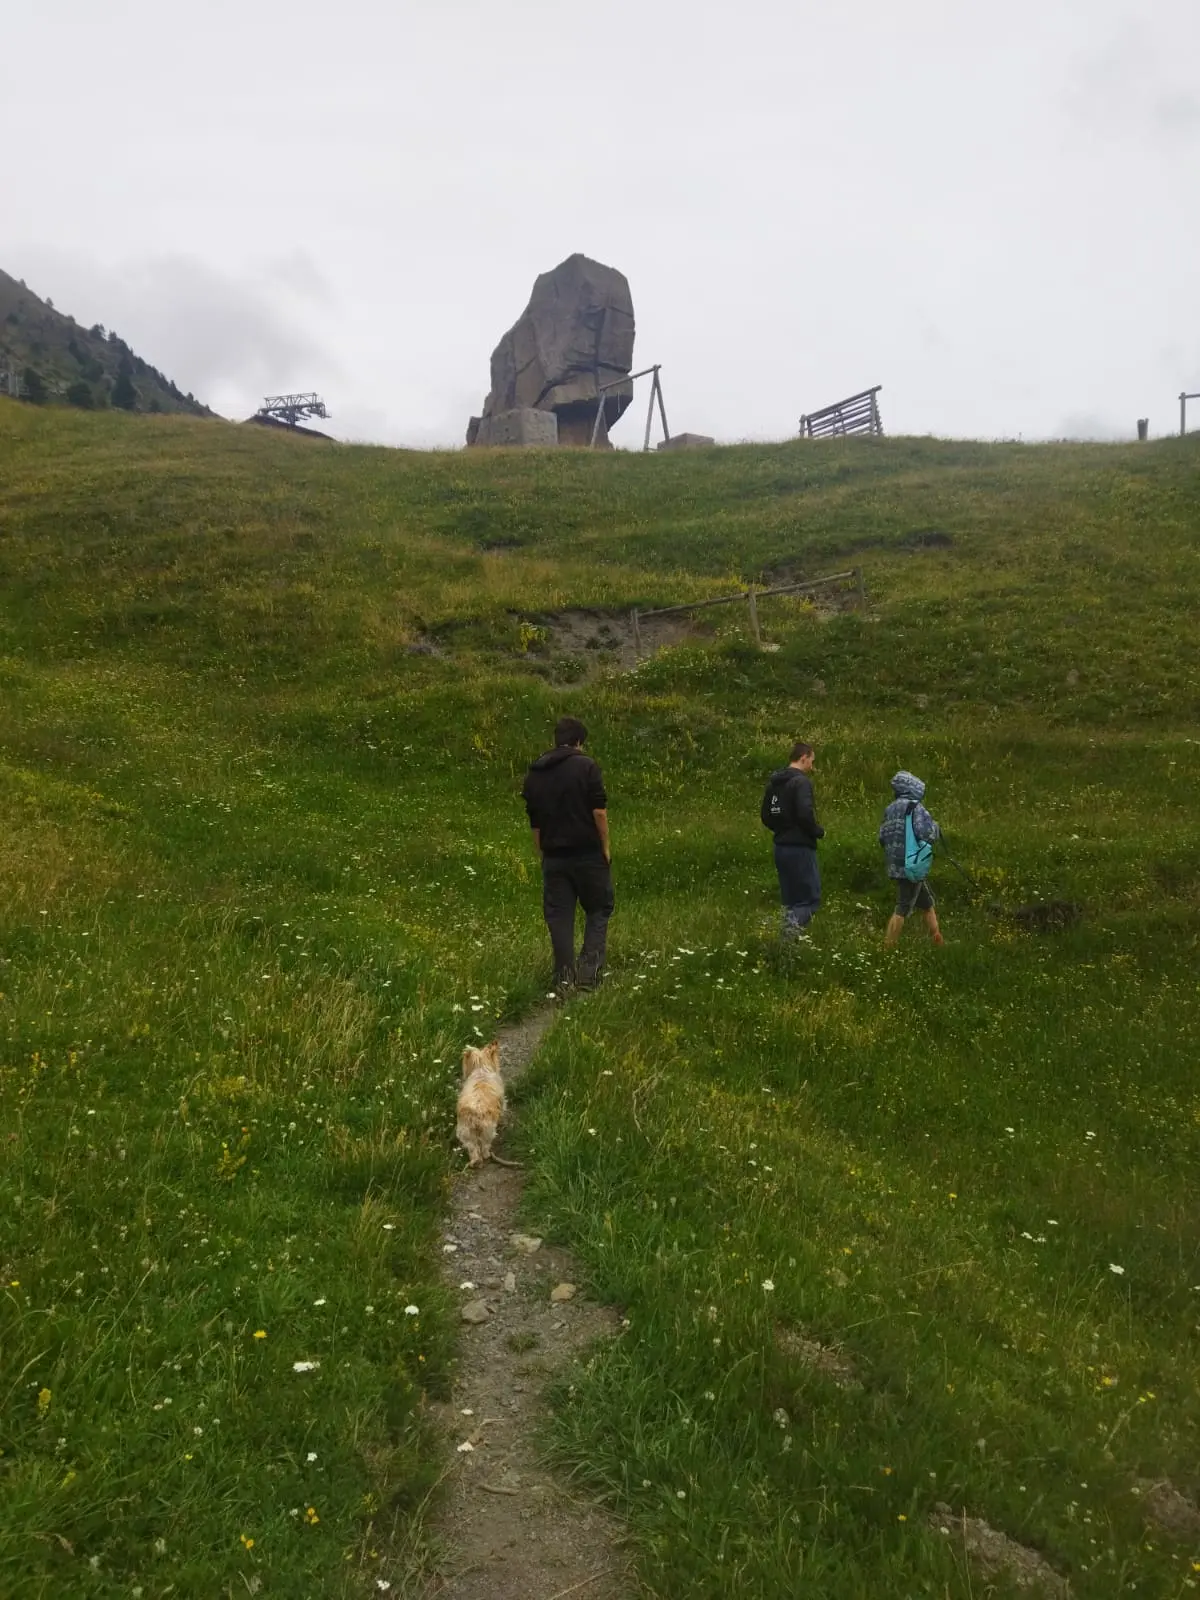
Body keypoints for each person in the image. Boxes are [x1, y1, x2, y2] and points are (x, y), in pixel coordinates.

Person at [521, 716, 613, 989]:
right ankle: (589, 974)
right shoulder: (586, 766)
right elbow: (599, 811)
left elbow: (535, 822)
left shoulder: (535, 773)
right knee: (599, 908)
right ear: (578, 742)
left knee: (559, 916)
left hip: (554, 856)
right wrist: (605, 847)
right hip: (587, 853)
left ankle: (563, 978)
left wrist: (543, 854)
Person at [761, 741, 824, 938]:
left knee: (790, 902)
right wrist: (817, 831)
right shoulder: (801, 782)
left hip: (780, 846)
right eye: (811, 761)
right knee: (808, 901)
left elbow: (766, 816)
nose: (812, 767)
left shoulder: (774, 783)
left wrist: (781, 829)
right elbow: (805, 814)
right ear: (803, 757)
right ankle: (785, 941)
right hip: (800, 847)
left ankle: (783, 948)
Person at [879, 770, 945, 949]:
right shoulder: (916, 807)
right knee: (902, 907)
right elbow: (926, 833)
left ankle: (937, 939)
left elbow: (882, 837)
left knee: (927, 902)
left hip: (896, 864)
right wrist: (936, 828)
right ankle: (887, 947)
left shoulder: (890, 809)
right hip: (912, 864)